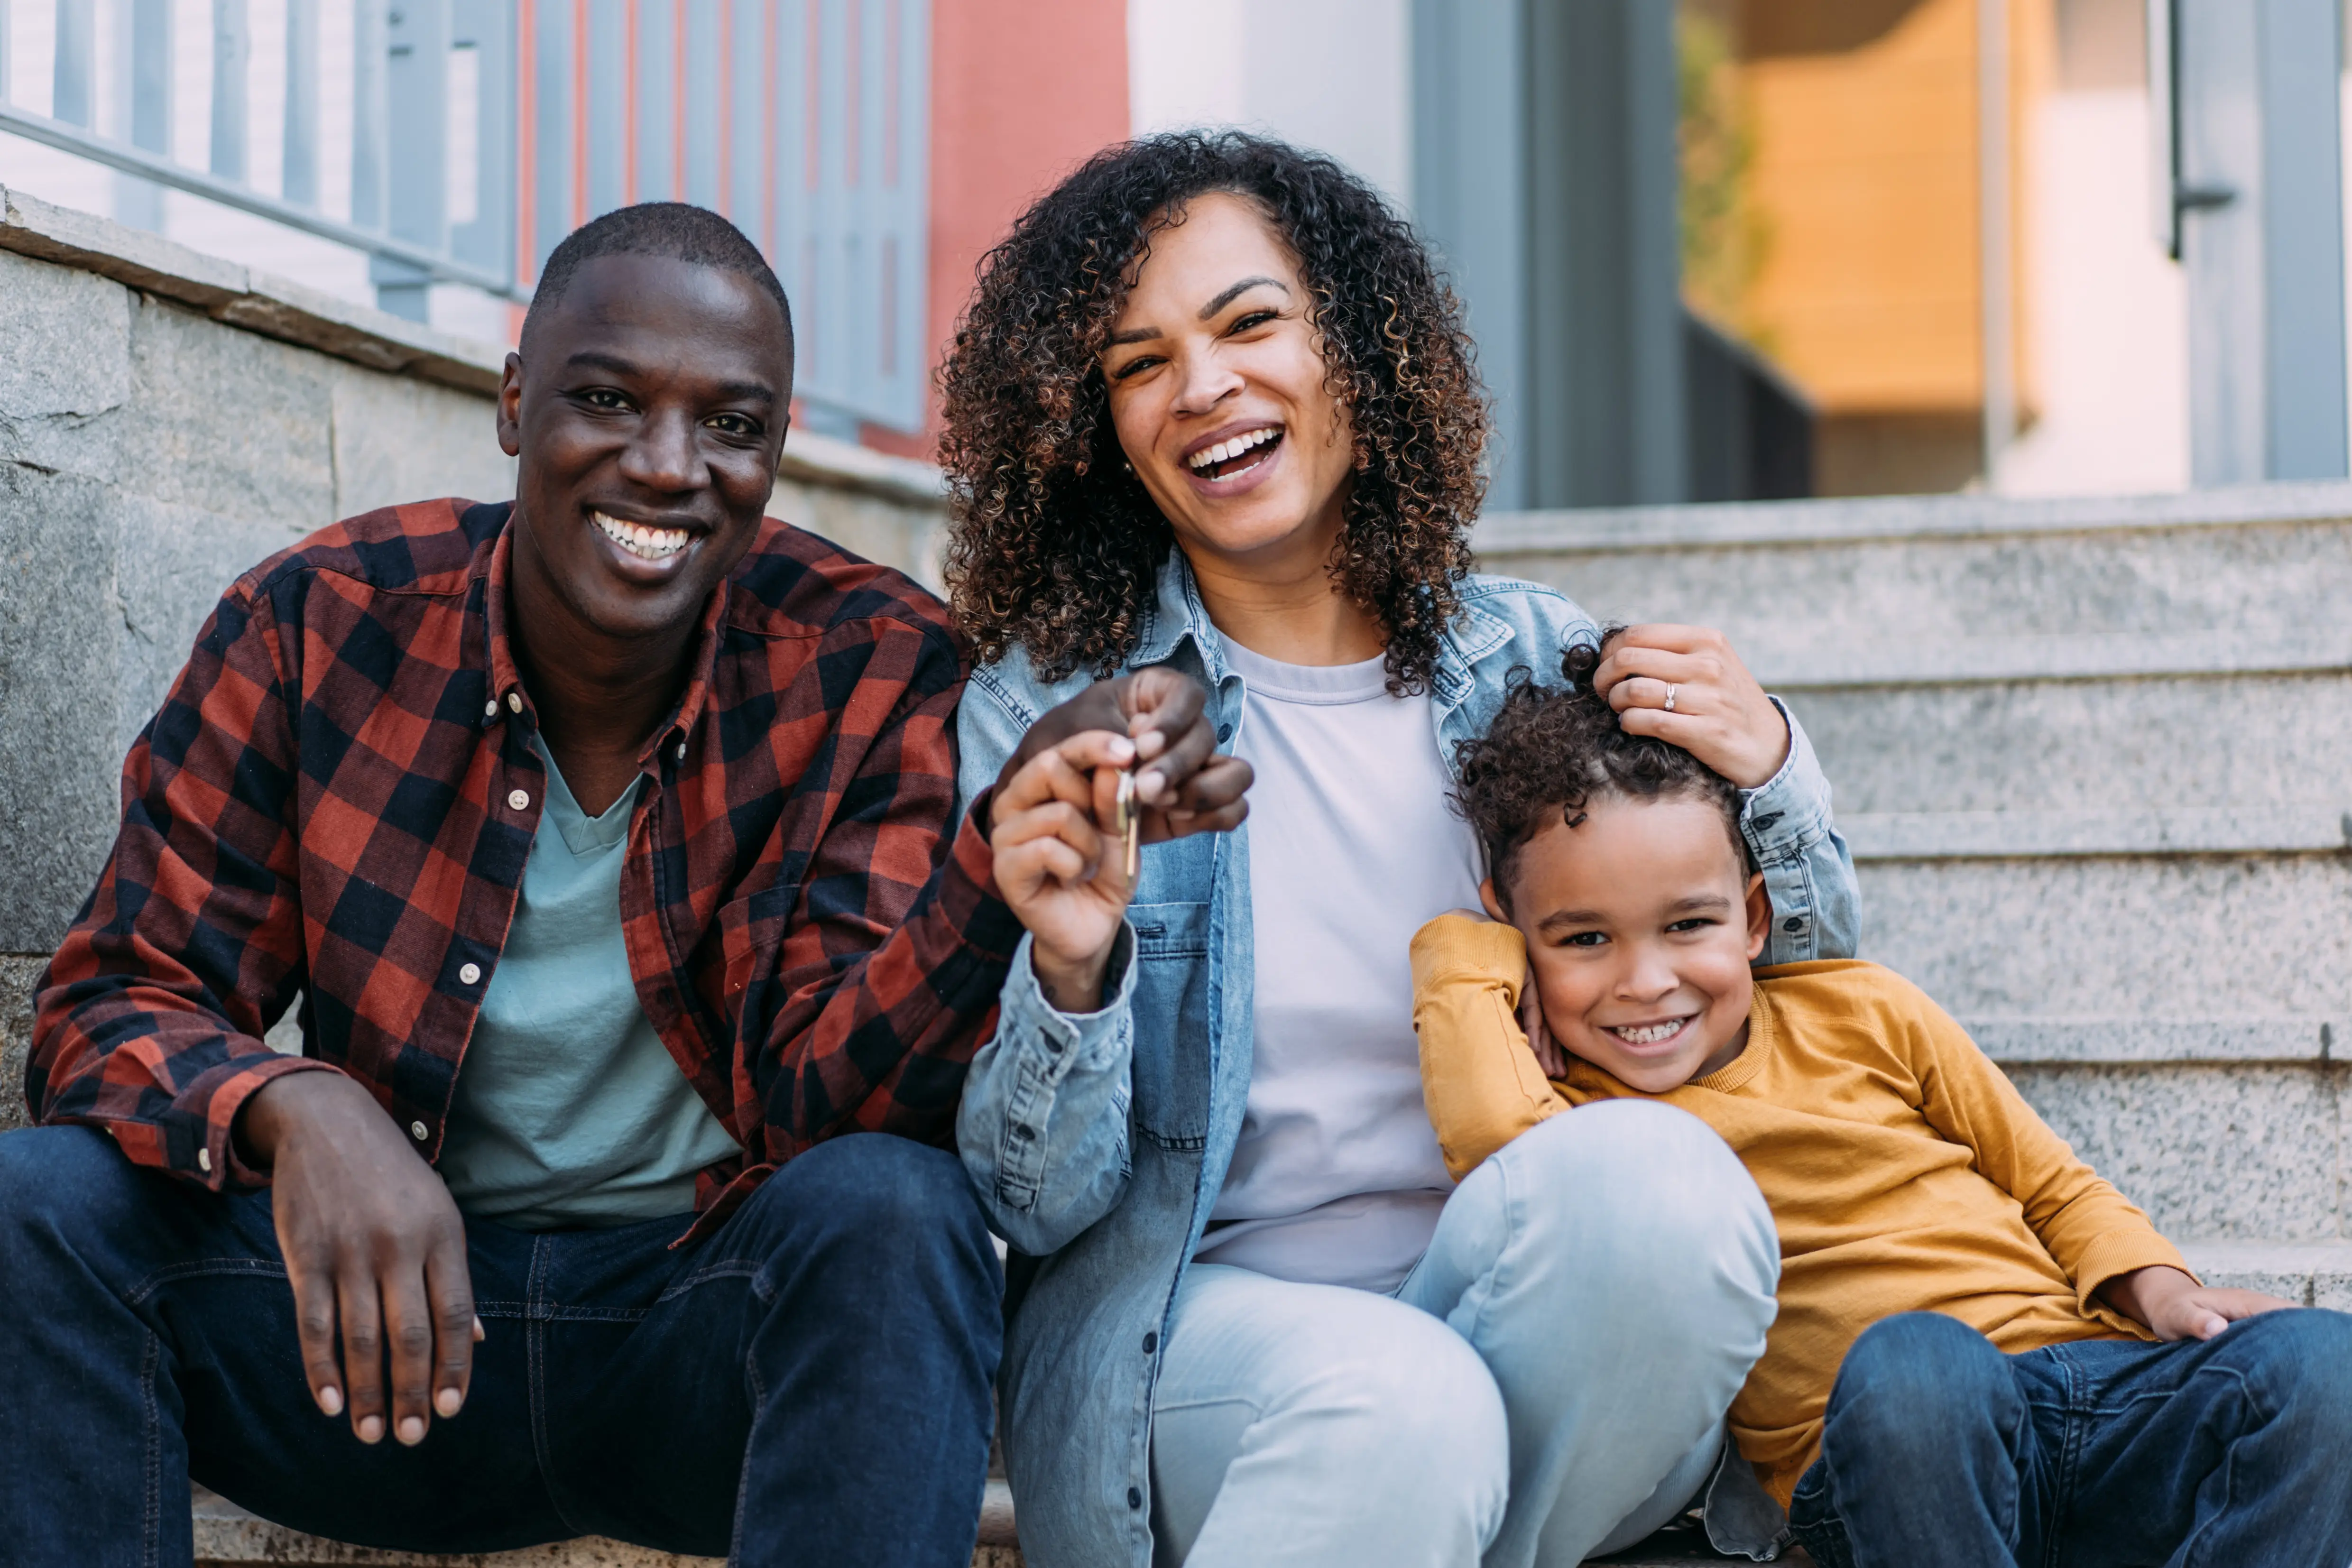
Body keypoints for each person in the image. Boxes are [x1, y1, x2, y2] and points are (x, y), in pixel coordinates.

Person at [0, 203, 1241, 1568]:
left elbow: (841, 1113)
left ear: (772, 448)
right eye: (605, 399)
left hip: (696, 1346)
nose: (667, 467)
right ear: (514, 402)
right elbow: (105, 1005)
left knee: (897, 1208)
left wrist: (991, 877)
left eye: (731, 425)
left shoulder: (872, 667)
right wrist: (293, 1106)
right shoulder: (321, 623)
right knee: (37, 1205)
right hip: (381, 1349)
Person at [940, 131, 1862, 1567]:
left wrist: (1776, 769)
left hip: (1537, 1325)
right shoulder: (1043, 715)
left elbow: (1794, 997)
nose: (1202, 388)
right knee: (1395, 1403)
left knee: (1668, 1196)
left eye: (1250, 323)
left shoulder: (1540, 661)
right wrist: (1070, 971)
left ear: (1356, 352)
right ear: (1098, 430)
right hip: (1191, 1349)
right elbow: (1027, 1202)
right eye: (1138, 363)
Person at [1411, 640, 2352, 1567]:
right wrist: (1465, 947)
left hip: (2088, 1388)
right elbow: (1491, 1137)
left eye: (1687, 925)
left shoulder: (1864, 1008)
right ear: (1515, 924)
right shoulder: (1578, 1118)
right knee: (1915, 1365)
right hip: (1884, 1450)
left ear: (1750, 917)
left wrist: (2160, 1291)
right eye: (1582, 939)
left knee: (2320, 1362)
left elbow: (2051, 1186)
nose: (1646, 981)